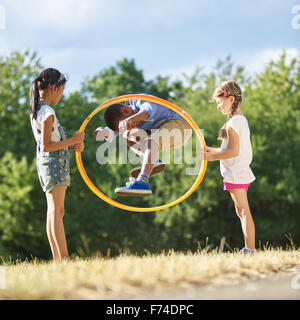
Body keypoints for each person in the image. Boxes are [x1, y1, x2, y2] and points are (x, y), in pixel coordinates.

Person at [29, 68, 85, 262]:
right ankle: (63, 258)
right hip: (53, 164)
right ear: (53, 88)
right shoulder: (47, 112)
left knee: (54, 211)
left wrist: (71, 146)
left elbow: (51, 144)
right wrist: (72, 140)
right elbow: (47, 146)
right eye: (61, 89)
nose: (62, 94)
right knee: (57, 212)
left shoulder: (38, 110)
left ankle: (59, 259)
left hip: (49, 163)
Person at [94, 95, 192, 196]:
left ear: (125, 110)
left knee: (151, 140)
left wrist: (130, 120)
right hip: (162, 130)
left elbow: (146, 112)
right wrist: (102, 131)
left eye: (131, 124)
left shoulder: (138, 100)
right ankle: (152, 162)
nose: (133, 125)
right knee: (128, 135)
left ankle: (142, 181)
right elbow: (111, 131)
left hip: (180, 125)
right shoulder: (125, 116)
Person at [203, 80, 256, 254]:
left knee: (244, 211)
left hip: (236, 173)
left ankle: (250, 249)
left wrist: (211, 157)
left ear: (231, 99)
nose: (218, 107)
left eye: (220, 102)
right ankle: (249, 248)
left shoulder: (233, 123)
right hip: (238, 171)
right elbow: (230, 149)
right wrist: (213, 150)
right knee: (241, 211)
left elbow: (233, 151)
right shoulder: (239, 120)